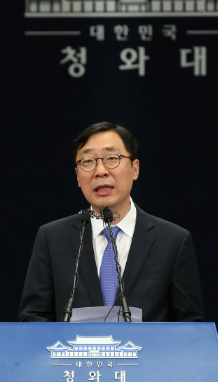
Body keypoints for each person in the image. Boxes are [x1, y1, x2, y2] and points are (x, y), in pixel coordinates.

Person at [19, 122, 204, 322]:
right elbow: (33, 317)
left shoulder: (172, 241)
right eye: (88, 161)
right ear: (78, 177)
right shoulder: (53, 238)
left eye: (112, 158)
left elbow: (189, 325)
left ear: (135, 169)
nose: (100, 171)